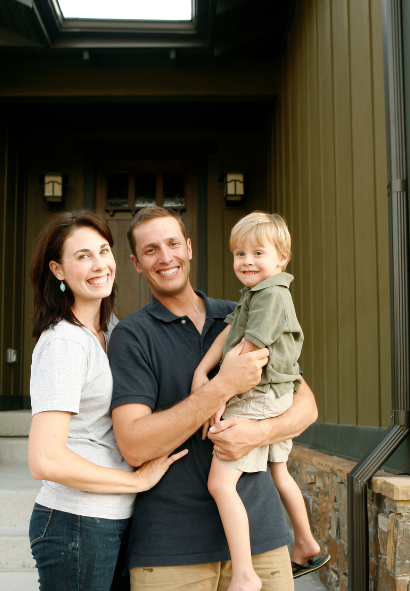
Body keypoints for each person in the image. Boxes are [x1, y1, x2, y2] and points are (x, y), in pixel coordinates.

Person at [108, 206, 319, 591]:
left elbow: (305, 405)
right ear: (137, 264)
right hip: (173, 549)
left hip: (262, 541)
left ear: (189, 248)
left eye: (173, 243)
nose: (166, 256)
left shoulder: (243, 311)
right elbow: (135, 446)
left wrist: (257, 433)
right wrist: (220, 386)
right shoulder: (132, 336)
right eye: (151, 250)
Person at [26, 210, 187, 591]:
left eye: (103, 251)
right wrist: (135, 482)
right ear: (58, 270)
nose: (99, 264)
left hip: (111, 519)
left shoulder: (110, 330)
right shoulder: (65, 342)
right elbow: (44, 459)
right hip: (77, 523)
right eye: (82, 256)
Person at [192, 212, 329, 590]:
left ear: (282, 257)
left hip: (258, 396)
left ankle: (245, 574)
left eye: (257, 252)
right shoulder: (256, 294)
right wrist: (201, 372)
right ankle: (306, 543)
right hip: (277, 396)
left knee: (221, 485)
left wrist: (219, 392)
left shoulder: (272, 296)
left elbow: (250, 349)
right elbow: (230, 333)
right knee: (279, 472)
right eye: (239, 253)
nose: (247, 261)